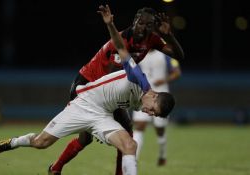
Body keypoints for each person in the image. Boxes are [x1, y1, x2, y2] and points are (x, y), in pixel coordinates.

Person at [0, 5, 176, 175]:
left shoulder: (143, 99)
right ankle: (14, 142)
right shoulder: (138, 79)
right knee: (41, 143)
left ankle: (57, 169)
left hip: (102, 115)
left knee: (129, 144)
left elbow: (175, 54)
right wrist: (110, 25)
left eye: (153, 114)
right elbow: (123, 53)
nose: (149, 114)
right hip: (84, 102)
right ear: (154, 95)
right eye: (153, 110)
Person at [49, 4, 184, 175]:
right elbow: (113, 77)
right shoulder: (121, 40)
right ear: (135, 21)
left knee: (91, 138)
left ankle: (55, 168)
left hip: (106, 88)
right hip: (87, 84)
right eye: (141, 23)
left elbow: (178, 56)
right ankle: (56, 168)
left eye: (149, 25)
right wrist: (105, 117)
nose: (144, 27)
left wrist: (169, 35)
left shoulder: (151, 40)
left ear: (154, 27)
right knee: (123, 133)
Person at [132, 49, 181, 166]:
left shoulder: (165, 55)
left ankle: (162, 155)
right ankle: (134, 159)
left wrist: (164, 80)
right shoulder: (140, 53)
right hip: (144, 95)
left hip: (161, 100)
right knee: (139, 125)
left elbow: (177, 72)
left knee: (160, 130)